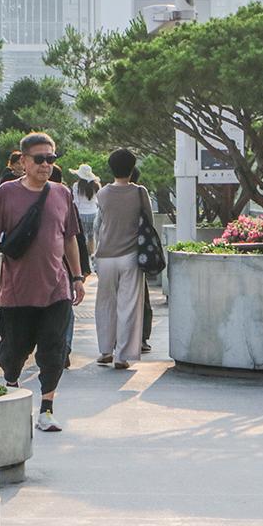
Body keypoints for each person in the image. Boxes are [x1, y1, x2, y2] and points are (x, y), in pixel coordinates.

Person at [0, 132, 86, 433]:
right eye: (39, 159)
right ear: (23, 161)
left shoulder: (62, 194)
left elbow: (69, 238)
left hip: (56, 288)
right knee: (12, 352)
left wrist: (77, 277)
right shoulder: (6, 193)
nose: (46, 165)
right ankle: (11, 390)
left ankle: (47, 410)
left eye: (51, 159)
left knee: (54, 350)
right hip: (16, 291)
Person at [93, 149, 154, 370]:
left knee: (105, 303)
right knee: (128, 305)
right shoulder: (140, 192)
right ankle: (122, 356)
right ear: (132, 168)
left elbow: (98, 225)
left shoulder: (102, 193)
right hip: (131, 255)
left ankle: (105, 351)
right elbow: (149, 221)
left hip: (105, 255)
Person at [50, 164, 91, 369]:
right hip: (64, 264)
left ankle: (58, 348)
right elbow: (79, 239)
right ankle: (63, 347)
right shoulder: (67, 200)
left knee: (60, 307)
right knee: (64, 308)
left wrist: (79, 273)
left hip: (57, 264)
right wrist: (82, 270)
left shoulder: (64, 199)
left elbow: (74, 238)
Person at [131, 165, 152, 353]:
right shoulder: (140, 192)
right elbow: (150, 222)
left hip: (114, 254)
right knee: (142, 296)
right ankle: (143, 338)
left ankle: (119, 339)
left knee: (120, 299)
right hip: (140, 252)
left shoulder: (106, 192)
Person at [70, 164, 101, 253]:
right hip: (94, 213)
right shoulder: (96, 185)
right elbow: (98, 201)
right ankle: (92, 253)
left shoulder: (77, 185)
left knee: (82, 237)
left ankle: (83, 256)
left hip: (81, 213)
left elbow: (76, 202)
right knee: (92, 236)